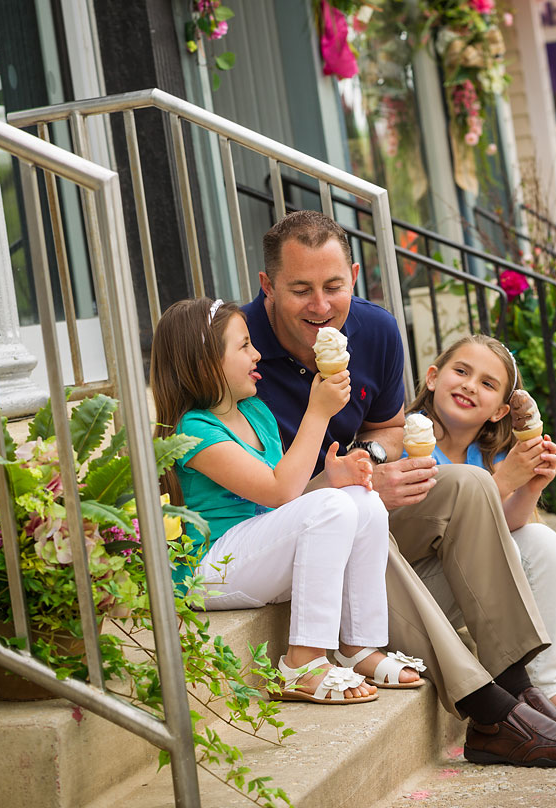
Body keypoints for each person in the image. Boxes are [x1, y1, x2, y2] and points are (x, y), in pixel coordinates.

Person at [242, 210, 556, 766]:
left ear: (356, 276)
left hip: (357, 499)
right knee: (359, 511)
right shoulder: (238, 350)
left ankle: (519, 688)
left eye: (334, 286)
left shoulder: (375, 331)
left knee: (465, 484)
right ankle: (489, 712)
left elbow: (386, 428)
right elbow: (254, 489)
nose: (321, 307)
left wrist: (373, 460)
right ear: (268, 286)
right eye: (301, 290)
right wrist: (343, 486)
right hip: (286, 531)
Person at [150, 295, 425, 706]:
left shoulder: (256, 413)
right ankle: (302, 663)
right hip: (209, 568)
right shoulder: (193, 430)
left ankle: (358, 646)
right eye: (243, 346)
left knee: (361, 499)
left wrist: (331, 479)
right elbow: (280, 490)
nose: (257, 353)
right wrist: (318, 413)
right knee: (334, 504)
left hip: (252, 556)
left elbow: (285, 503)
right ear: (206, 362)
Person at [406, 333, 556, 726]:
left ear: (500, 411)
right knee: (508, 547)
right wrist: (505, 481)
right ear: (433, 377)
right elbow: (433, 528)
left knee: (542, 541)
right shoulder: (408, 441)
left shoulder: (486, 458)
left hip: (461, 586)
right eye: (461, 371)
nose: (469, 385)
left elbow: (502, 525)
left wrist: (529, 486)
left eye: (487, 383)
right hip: (411, 589)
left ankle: (546, 686)